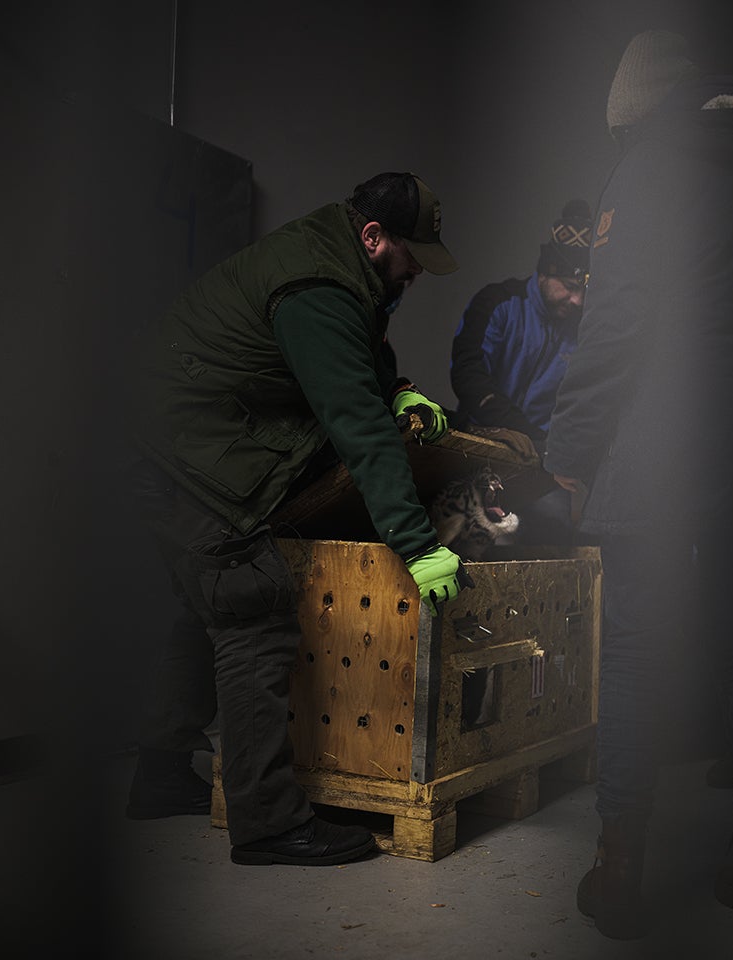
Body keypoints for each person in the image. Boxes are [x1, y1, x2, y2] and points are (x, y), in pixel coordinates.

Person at [543, 30, 733, 939]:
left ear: (644, 116)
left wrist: (569, 451)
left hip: (659, 452)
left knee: (633, 652)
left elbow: (614, 330)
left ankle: (618, 870)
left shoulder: (645, 175)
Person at [123, 171, 473, 867]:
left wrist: (400, 392)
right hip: (185, 454)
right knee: (254, 608)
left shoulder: (334, 262)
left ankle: (160, 775)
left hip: (172, 443)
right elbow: (356, 426)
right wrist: (418, 545)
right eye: (411, 256)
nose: (416, 272)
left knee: (206, 607)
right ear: (373, 237)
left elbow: (358, 358)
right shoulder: (318, 286)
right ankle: (268, 822)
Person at [448, 199, 593, 546]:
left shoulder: (584, 331)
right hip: (481, 455)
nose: (577, 301)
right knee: (474, 547)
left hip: (542, 469)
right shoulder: (498, 302)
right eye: (569, 286)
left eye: (583, 291)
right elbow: (468, 374)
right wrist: (523, 434)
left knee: (553, 544)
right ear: (545, 273)